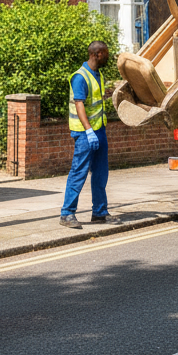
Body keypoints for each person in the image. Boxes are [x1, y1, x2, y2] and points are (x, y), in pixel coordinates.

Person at [60, 41, 121, 229]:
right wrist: (88, 130)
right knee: (78, 172)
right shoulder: (80, 77)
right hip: (85, 133)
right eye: (106, 53)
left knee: (100, 174)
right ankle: (67, 213)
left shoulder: (98, 74)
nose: (108, 56)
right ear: (97, 54)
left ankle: (99, 212)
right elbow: (79, 104)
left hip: (99, 130)